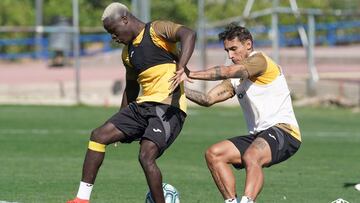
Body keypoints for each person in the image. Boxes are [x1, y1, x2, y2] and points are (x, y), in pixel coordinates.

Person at [67, 2, 196, 203]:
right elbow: (131, 87)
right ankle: (81, 199)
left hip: (168, 108)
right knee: (99, 135)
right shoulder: (127, 54)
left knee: (146, 156)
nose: (113, 37)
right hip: (142, 106)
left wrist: (181, 66)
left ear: (125, 19)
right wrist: (120, 120)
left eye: (114, 31)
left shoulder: (156, 30)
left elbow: (188, 34)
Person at [171, 23, 301, 203]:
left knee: (251, 155)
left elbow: (226, 71)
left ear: (248, 44)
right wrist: (179, 90)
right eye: (227, 51)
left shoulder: (259, 61)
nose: (230, 55)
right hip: (259, 135)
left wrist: (189, 73)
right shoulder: (236, 80)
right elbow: (207, 99)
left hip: (285, 132)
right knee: (214, 153)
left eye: (233, 49)